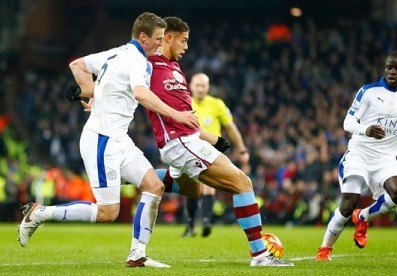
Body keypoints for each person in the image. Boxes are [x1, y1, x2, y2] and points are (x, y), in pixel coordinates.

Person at [18, 12, 199, 268]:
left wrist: (96, 95)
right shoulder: (138, 61)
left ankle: (137, 255)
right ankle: (40, 213)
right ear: (143, 37)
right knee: (108, 213)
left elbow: (77, 65)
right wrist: (176, 114)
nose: (161, 44)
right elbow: (140, 93)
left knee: (153, 186)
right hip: (102, 139)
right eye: (158, 39)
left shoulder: (116, 52)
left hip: (118, 138)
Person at [146, 16, 292, 267]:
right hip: (181, 143)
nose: (187, 46)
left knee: (190, 189)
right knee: (242, 183)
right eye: (184, 41)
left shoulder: (175, 69)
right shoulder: (148, 65)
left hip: (187, 141)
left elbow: (187, 117)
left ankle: (139, 174)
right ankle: (259, 254)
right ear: (168, 38)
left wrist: (213, 138)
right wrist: (93, 95)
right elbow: (124, 86)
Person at [316, 51, 397, 261]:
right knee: (348, 203)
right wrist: (366, 130)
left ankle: (362, 217)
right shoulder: (368, 92)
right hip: (359, 155)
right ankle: (325, 248)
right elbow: (347, 123)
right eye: (389, 67)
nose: (392, 71)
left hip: (386, 160)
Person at [182, 72, 250, 237]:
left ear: (208, 87)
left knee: (208, 187)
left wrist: (241, 148)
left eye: (203, 85)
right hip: (190, 149)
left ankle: (205, 222)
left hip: (211, 150)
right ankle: (192, 225)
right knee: (192, 188)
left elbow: (230, 127)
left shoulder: (217, 104)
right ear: (191, 86)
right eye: (197, 85)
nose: (200, 88)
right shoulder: (184, 103)